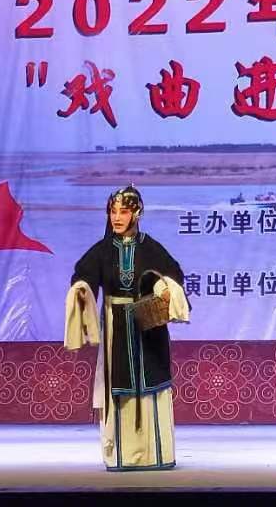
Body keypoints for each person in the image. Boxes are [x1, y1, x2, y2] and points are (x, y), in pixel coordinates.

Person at [63, 184, 190, 471]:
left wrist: (163, 288)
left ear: (137, 214)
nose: (117, 218)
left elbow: (172, 274)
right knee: (118, 386)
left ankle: (156, 455)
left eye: (123, 212)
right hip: (116, 325)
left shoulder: (150, 246)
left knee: (152, 384)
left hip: (147, 326)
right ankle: (121, 456)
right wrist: (82, 289)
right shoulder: (103, 249)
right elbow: (83, 274)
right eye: (113, 212)